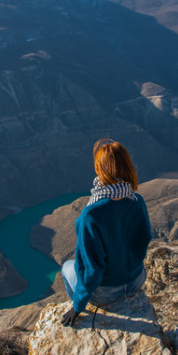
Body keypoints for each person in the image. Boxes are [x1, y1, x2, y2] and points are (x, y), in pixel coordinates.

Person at [61, 138, 152, 327]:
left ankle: (83, 306)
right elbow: (144, 239)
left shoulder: (91, 215)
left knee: (67, 268)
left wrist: (77, 307)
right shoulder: (137, 201)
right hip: (136, 279)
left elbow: (90, 269)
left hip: (107, 292)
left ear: (100, 170)